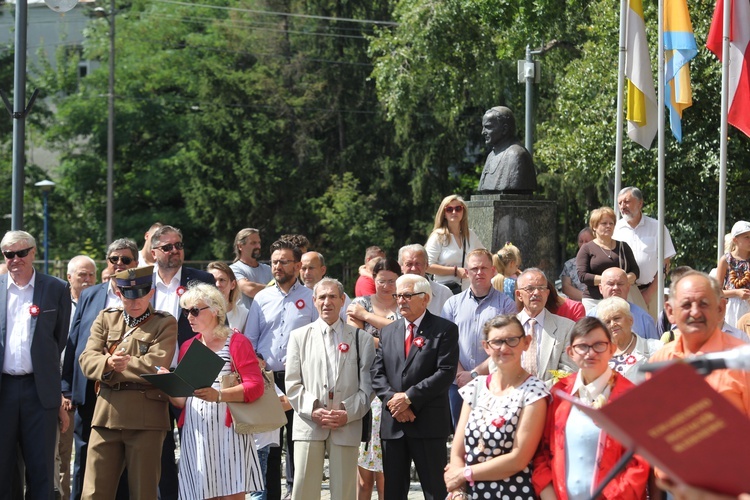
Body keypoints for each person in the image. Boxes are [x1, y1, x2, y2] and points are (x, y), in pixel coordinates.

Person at [78, 266, 177, 499]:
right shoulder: (106, 318)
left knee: (144, 492)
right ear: (120, 294)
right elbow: (86, 360)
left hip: (147, 419)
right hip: (106, 416)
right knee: (93, 493)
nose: (135, 303)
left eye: (141, 295)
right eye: (128, 297)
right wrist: (108, 364)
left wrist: (115, 364)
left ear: (151, 293)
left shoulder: (164, 323)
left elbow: (156, 364)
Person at [164, 283, 265, 500]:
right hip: (196, 433)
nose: (189, 317)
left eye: (194, 310)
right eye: (185, 311)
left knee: (230, 495)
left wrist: (218, 395)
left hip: (229, 432)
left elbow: (255, 386)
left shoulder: (236, 341)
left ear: (216, 310)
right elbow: (181, 401)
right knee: (199, 494)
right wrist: (167, 383)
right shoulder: (188, 346)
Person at [532, 317, 649, 499]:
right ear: (570, 352)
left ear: (611, 348)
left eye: (598, 345)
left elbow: (639, 463)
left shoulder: (630, 398)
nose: (590, 353)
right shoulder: (559, 393)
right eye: (583, 346)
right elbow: (543, 452)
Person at [370, 275, 459, 500]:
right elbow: (377, 374)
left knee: (434, 490)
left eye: (407, 295)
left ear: (425, 298)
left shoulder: (444, 329)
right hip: (394, 423)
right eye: (398, 295)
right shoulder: (388, 331)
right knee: (393, 492)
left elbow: (445, 372)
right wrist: (395, 402)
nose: (401, 301)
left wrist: (409, 398)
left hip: (428, 423)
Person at [63, 239, 139, 500]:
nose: (119, 264)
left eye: (126, 260)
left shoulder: (142, 294)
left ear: (135, 264)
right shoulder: (90, 294)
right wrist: (66, 388)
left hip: (126, 389)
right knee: (83, 456)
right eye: (114, 259)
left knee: (124, 460)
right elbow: (74, 341)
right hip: (88, 388)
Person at [285, 278, 375, 500]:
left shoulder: (361, 339)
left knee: (345, 492)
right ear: (314, 301)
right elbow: (292, 383)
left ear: (343, 300)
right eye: (322, 297)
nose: (327, 302)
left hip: (346, 425)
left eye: (333, 296)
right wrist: (313, 409)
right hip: (308, 424)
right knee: (303, 490)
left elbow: (368, 387)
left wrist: (347, 412)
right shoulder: (298, 336)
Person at [243, 239, 318, 500]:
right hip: (268, 380)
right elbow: (250, 339)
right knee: (270, 448)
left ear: (298, 265)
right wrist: (255, 362)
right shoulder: (262, 297)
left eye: (283, 261)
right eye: (274, 261)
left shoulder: (311, 297)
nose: (277, 266)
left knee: (300, 445)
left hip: (302, 380)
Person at [444, 315, 549, 500]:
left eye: (512, 340)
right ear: (486, 346)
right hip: (470, 493)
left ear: (526, 342)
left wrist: (464, 474)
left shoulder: (534, 391)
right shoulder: (476, 387)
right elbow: (458, 450)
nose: (504, 348)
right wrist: (459, 490)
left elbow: (518, 459)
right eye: (497, 342)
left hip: (512, 493)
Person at [0, 231, 72, 500]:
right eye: (9, 254)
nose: (15, 259)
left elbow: (59, 338)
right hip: (4, 388)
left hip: (39, 390)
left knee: (42, 468)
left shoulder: (55, 288)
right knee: (3, 467)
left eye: (21, 253)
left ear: (33, 253)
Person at [150, 225, 214, 499]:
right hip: (155, 375)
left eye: (179, 245)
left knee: (197, 445)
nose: (175, 250)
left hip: (193, 372)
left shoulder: (201, 279)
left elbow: (214, 324)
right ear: (154, 252)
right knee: (160, 449)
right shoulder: (142, 282)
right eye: (167, 247)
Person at [650, 271, 750, 418]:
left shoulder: (743, 362)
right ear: (670, 312)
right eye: (686, 305)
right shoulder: (659, 361)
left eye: (704, 304)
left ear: (720, 309)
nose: (695, 312)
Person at [441, 249, 517, 428]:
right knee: (460, 439)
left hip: (494, 382)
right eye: (474, 268)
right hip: (457, 384)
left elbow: (508, 345)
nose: (479, 272)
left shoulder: (506, 305)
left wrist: (474, 374)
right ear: (466, 272)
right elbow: (445, 344)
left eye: (484, 267)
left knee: (491, 437)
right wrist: (461, 375)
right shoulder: (452, 304)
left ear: (493, 271)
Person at [346, 258, 401, 500]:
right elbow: (356, 340)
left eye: (392, 281)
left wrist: (367, 318)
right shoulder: (359, 302)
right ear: (373, 280)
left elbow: (404, 342)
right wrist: (392, 342)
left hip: (394, 386)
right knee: (363, 472)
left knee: (388, 472)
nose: (387, 286)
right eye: (381, 281)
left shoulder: (405, 304)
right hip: (364, 386)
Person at [59, 255, 97, 500]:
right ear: (69, 277)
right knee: (63, 456)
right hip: (61, 390)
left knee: (87, 453)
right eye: (81, 274)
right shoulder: (59, 302)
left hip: (87, 390)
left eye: (91, 274)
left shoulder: (98, 303)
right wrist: (62, 389)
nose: (86, 279)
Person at [614, 187, 676, 319]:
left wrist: (650, 292)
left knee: (654, 332)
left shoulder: (657, 227)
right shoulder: (615, 229)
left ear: (640, 203)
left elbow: (665, 262)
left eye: (627, 202)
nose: (622, 206)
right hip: (626, 291)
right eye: (620, 203)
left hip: (653, 291)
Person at [515, 269, 577, 383]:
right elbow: (497, 367)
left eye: (541, 288)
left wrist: (540, 392)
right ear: (519, 295)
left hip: (550, 397)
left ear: (547, 294)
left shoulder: (567, 328)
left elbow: (569, 370)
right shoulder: (505, 328)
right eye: (530, 289)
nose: (537, 293)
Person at [576, 206, 639, 312]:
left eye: (611, 223)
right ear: (594, 227)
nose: (608, 226)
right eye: (604, 223)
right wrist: (608, 280)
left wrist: (621, 280)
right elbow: (583, 276)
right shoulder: (586, 248)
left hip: (620, 300)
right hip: (594, 300)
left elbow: (636, 271)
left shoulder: (623, 246)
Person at [425, 195, 485, 293]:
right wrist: (455, 271)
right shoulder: (438, 236)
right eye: (449, 209)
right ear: (444, 213)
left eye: (458, 209)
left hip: (468, 291)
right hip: (444, 291)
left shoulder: (470, 235)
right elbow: (427, 266)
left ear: (463, 212)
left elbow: (485, 255)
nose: (454, 212)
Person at [595, 297, 662, 383]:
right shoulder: (598, 356)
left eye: (617, 318)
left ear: (630, 320)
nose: (612, 324)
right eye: (607, 322)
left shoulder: (655, 348)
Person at [586, 267, 659, 340]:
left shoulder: (643, 318)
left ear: (628, 287)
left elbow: (654, 349)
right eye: (610, 284)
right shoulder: (590, 318)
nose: (615, 288)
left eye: (620, 284)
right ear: (600, 288)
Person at [477, 106, 537, 194]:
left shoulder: (516, 155)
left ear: (504, 129)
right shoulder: (491, 156)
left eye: (488, 127)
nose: (483, 132)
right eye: (483, 127)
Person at [398, 244, 453, 316]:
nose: (414, 268)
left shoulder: (444, 293)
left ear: (426, 265)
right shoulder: (393, 293)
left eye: (418, 264)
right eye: (409, 264)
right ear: (401, 267)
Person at [716, 221, 750, 329]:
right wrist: (736, 292)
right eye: (747, 237)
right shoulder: (726, 260)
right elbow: (717, 291)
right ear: (735, 239)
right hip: (732, 309)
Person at [231, 228, 273, 310]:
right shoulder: (234, 269)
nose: (258, 246)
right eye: (253, 243)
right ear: (240, 246)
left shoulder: (267, 269)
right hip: (245, 321)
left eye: (259, 243)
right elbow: (250, 289)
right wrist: (273, 289)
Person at [207, 261, 248, 330]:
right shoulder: (197, 313)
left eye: (222, 280)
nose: (217, 284)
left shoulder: (243, 314)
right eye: (212, 280)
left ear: (233, 285)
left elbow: (248, 340)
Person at [560, 228, 593, 302]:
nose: (584, 244)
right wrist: (588, 299)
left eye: (587, 241)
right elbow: (566, 287)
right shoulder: (569, 264)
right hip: (577, 306)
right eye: (581, 241)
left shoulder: (601, 262)